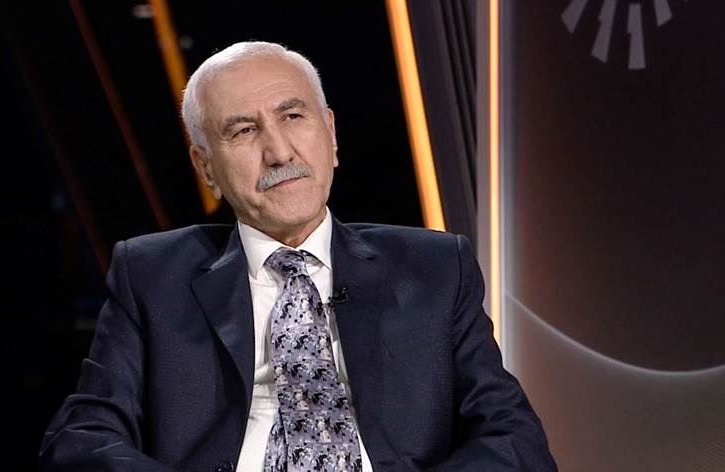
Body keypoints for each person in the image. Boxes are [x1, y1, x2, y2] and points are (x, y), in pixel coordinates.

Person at [39, 41, 557, 471]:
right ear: (206, 167)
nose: (280, 152)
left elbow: (513, 439)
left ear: (330, 133)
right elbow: (81, 439)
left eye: (293, 116)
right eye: (244, 130)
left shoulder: (436, 267)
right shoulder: (151, 275)